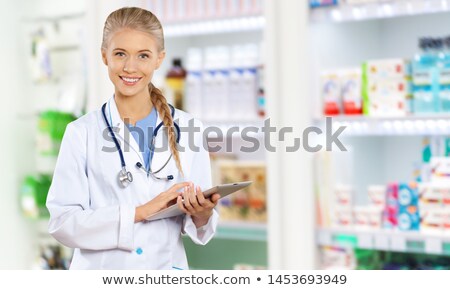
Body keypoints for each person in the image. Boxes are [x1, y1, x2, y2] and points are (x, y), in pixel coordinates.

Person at [46, 7, 220, 270]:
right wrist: (139, 212)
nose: (130, 67)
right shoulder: (81, 133)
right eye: (120, 54)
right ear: (104, 56)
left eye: (143, 55)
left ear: (159, 59)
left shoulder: (190, 128)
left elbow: (201, 227)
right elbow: (63, 223)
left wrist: (203, 213)